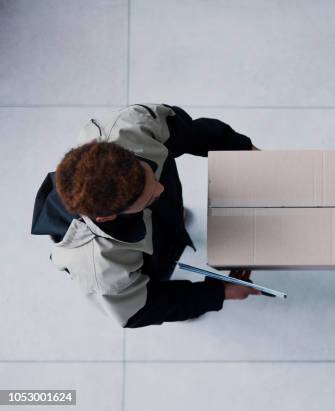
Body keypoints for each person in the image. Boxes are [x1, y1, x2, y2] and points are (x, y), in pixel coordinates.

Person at [31, 104, 260, 328]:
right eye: (149, 198)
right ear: (107, 217)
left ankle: (173, 221)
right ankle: (191, 306)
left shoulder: (131, 127)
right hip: (150, 263)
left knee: (171, 214)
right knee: (166, 282)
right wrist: (218, 294)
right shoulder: (102, 268)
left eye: (151, 175)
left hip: (161, 219)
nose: (161, 190)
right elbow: (143, 308)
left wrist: (243, 150)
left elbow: (187, 132)